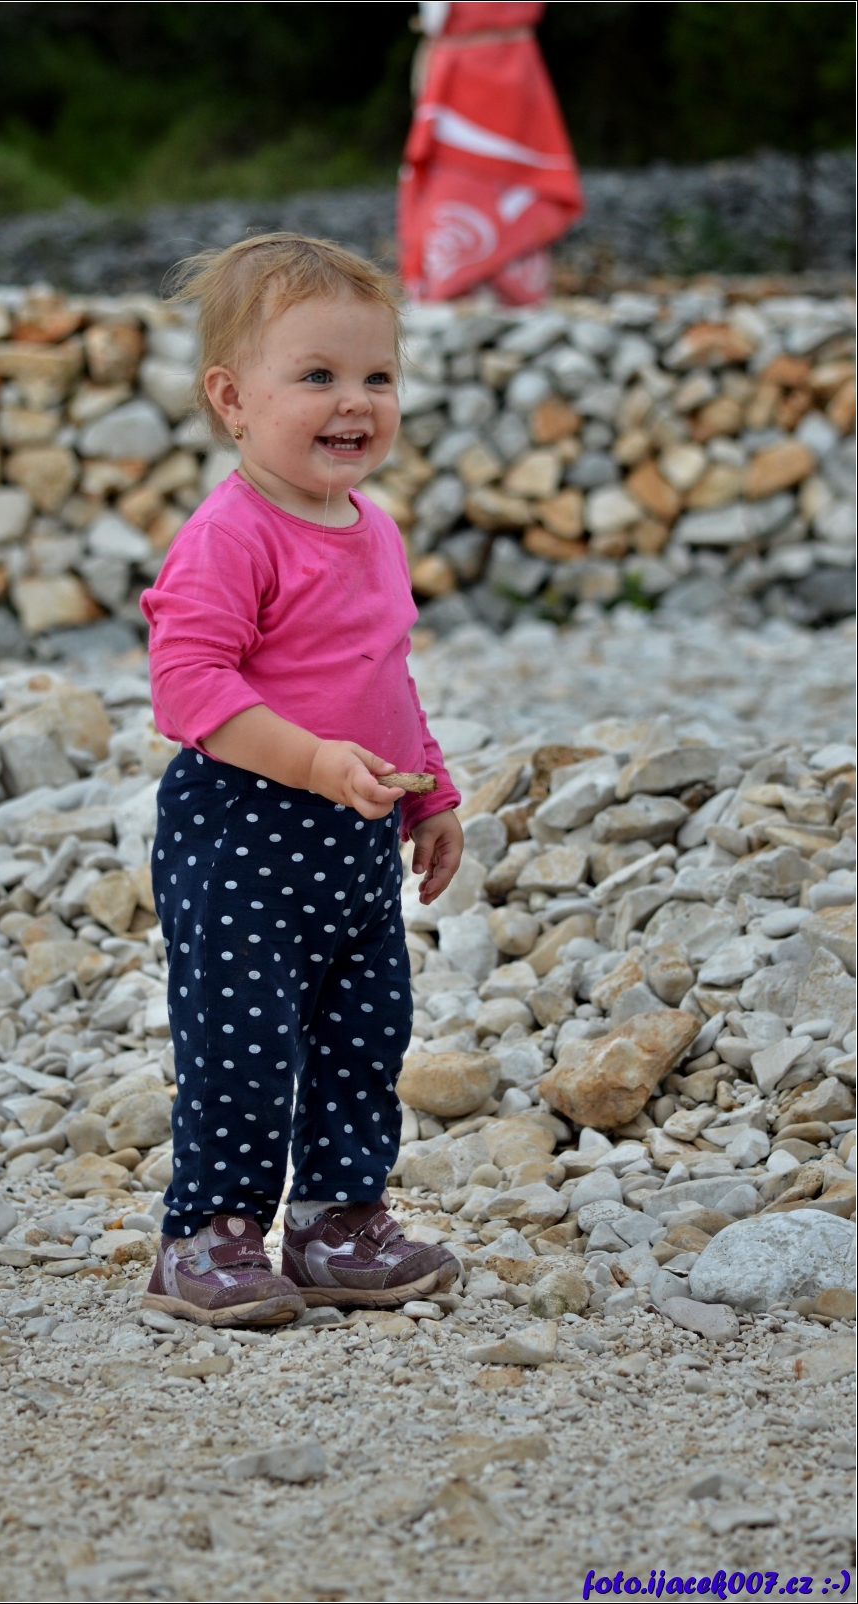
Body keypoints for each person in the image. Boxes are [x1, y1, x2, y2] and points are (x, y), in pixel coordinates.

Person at [139, 233, 463, 1327]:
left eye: (377, 376)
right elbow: (188, 684)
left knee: (364, 1035)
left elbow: (383, 676)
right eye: (318, 375)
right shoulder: (230, 535)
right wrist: (316, 761)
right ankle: (208, 1234)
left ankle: (337, 1221)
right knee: (243, 1043)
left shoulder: (374, 529)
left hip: (356, 835)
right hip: (245, 826)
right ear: (232, 399)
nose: (354, 402)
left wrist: (431, 791)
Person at [398, 1, 582, 305]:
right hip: (508, 62)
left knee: (469, 170)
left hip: (467, 65)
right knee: (506, 171)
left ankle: (458, 283)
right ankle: (511, 283)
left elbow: (437, 17)